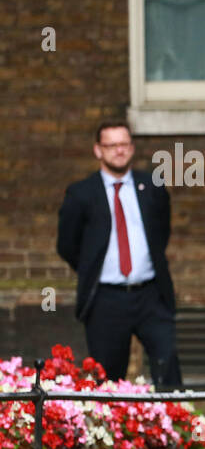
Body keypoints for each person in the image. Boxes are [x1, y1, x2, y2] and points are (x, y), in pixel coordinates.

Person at [56, 122, 182, 387]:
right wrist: (93, 268)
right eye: (111, 145)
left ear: (132, 148)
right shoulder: (81, 194)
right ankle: (113, 427)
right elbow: (67, 244)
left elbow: (162, 232)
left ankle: (177, 421)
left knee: (167, 360)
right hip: (106, 298)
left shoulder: (151, 187)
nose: (119, 151)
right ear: (98, 150)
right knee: (108, 377)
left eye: (124, 144)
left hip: (150, 294)